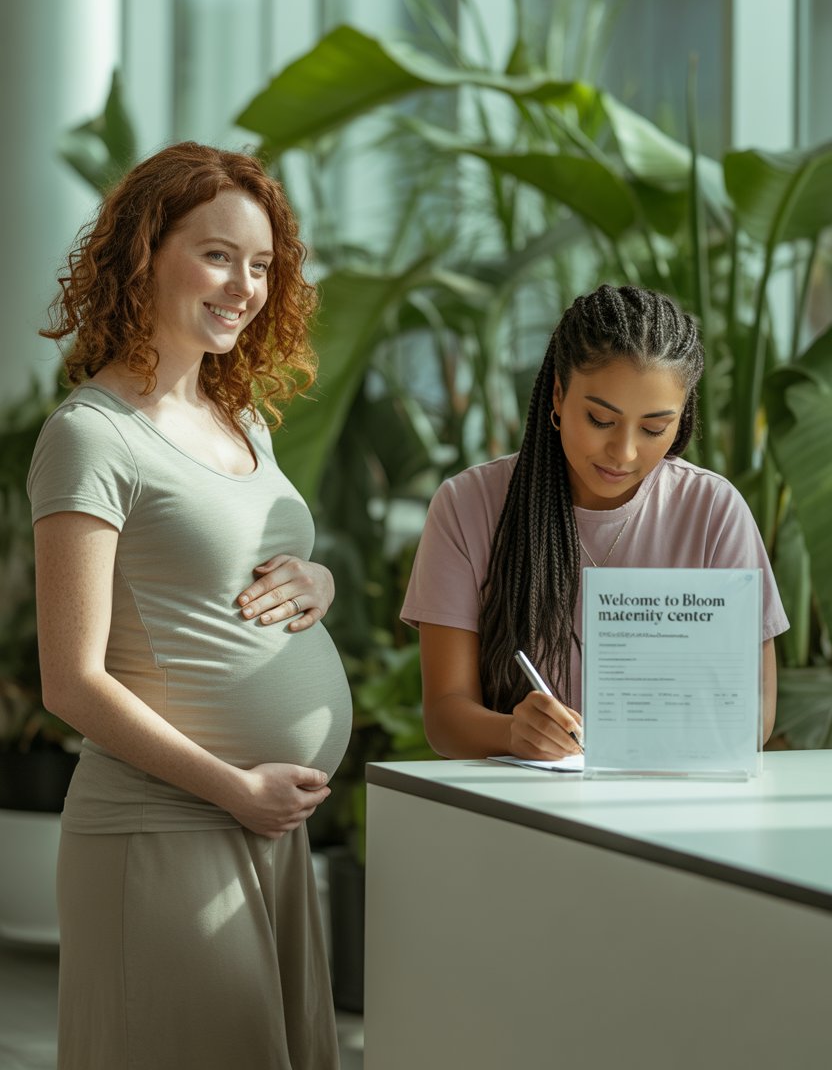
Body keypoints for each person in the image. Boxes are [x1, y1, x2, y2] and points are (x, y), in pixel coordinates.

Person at [28, 142, 352, 1070]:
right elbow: (71, 681)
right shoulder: (90, 438)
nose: (244, 286)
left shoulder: (238, 416)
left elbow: (234, 566)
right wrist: (235, 789)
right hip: (162, 828)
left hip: (261, 828)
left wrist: (316, 581)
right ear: (144, 252)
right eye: (217, 255)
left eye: (261, 265)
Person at [402, 283, 787, 760]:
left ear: (681, 418)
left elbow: (753, 717)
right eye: (601, 420)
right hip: (519, 808)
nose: (623, 453)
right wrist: (512, 734)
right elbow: (445, 716)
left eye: (653, 429)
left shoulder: (713, 511)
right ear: (559, 396)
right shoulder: (468, 505)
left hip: (674, 800)